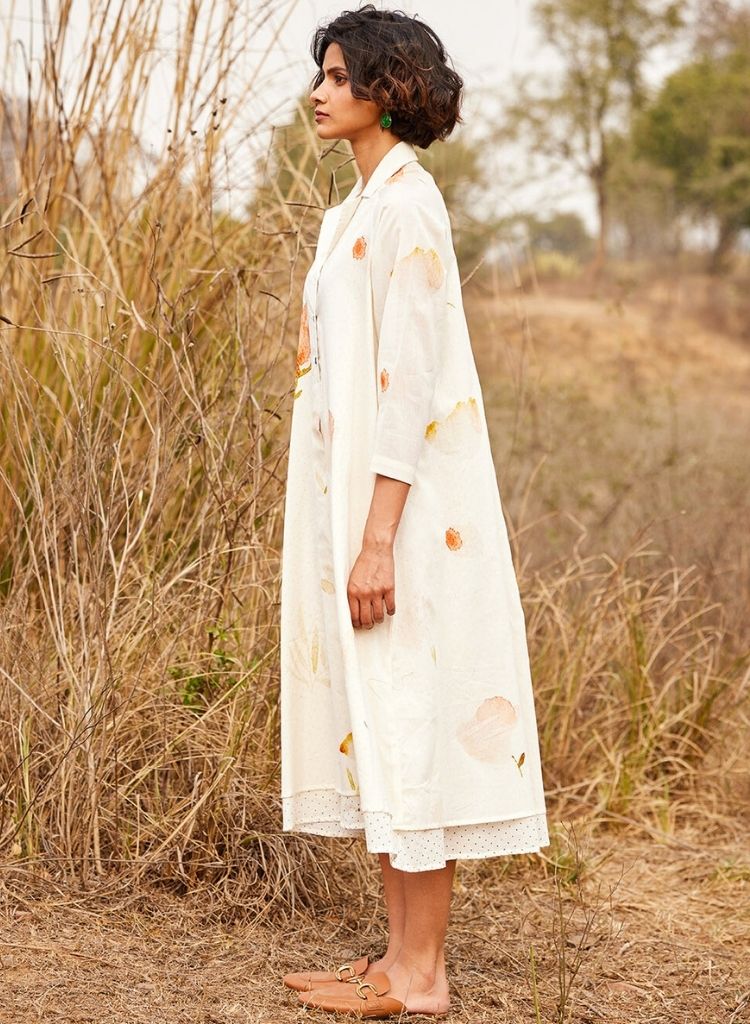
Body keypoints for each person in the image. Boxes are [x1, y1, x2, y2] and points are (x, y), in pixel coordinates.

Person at [279, 4, 550, 1018]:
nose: (319, 92)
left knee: (412, 718)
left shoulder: (408, 207)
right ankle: (394, 960)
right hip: (356, 503)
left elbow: (411, 384)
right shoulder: (354, 210)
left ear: (388, 88)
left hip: (406, 514)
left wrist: (378, 537)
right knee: (382, 723)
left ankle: (424, 975)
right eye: (321, 73)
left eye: (339, 76)